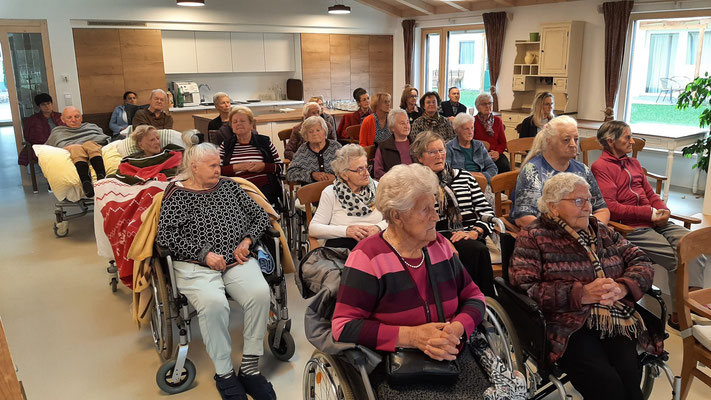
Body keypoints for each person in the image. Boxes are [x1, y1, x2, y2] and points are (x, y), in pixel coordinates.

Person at [331, 162, 487, 399]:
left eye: (434, 207)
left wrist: (457, 329)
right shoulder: (368, 257)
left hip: (454, 353)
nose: (436, 217)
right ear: (397, 215)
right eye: (425, 210)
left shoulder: (440, 247)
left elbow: (474, 297)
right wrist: (413, 337)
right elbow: (344, 326)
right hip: (398, 366)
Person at [510, 172, 660, 400]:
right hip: (566, 324)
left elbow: (641, 260)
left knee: (629, 375)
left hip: (615, 316)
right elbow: (526, 288)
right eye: (578, 201)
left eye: (589, 200)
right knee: (606, 382)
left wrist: (623, 287)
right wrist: (581, 294)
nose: (588, 207)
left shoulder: (602, 231)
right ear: (554, 207)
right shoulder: (534, 236)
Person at [156, 143, 276, 400]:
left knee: (259, 293)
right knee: (213, 304)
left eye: (218, 164)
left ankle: (250, 368)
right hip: (195, 265)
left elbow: (260, 216)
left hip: (236, 259)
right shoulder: (176, 194)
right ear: (194, 167)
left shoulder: (230, 186)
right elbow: (166, 236)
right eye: (212, 165)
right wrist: (204, 254)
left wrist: (247, 241)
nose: (218, 170)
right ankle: (224, 373)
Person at [591, 120, 707, 328]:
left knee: (695, 247)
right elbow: (612, 207)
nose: (632, 141)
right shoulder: (601, 167)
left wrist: (663, 210)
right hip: (632, 228)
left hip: (655, 221)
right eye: (627, 137)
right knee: (678, 257)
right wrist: (648, 213)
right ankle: (681, 315)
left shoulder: (633, 164)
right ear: (611, 141)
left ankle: (691, 306)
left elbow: (651, 193)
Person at [412, 131, 496, 297]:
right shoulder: (416, 185)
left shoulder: (464, 177)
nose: (439, 156)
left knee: (475, 249)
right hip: (434, 240)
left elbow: (486, 212)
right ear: (420, 157)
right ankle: (473, 302)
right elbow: (416, 222)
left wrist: (474, 232)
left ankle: (485, 304)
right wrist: (441, 241)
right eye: (432, 152)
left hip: (470, 236)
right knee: (473, 251)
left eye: (442, 150)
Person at [511, 115, 610, 228]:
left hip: (581, 236)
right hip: (546, 236)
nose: (573, 144)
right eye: (566, 140)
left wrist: (591, 231)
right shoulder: (533, 171)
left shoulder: (583, 170)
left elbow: (602, 210)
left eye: (576, 139)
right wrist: (566, 235)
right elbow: (524, 218)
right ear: (549, 141)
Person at [309, 144, 387, 250]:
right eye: (360, 169)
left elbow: (393, 219)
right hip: (342, 249)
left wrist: (378, 227)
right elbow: (313, 229)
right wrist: (346, 231)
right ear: (344, 175)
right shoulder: (331, 193)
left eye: (367, 167)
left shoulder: (378, 188)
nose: (367, 173)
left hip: (375, 244)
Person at [219, 106, 283, 209]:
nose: (238, 124)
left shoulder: (264, 142)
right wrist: (238, 167)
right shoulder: (226, 146)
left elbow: (279, 167)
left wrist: (263, 166)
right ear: (231, 126)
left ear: (251, 124)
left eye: (242, 121)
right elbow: (217, 171)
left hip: (263, 187)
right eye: (234, 122)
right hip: (236, 188)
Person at [45, 106, 109, 197]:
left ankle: (101, 177)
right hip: (74, 151)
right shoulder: (57, 131)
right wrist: (75, 146)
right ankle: (86, 182)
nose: (73, 120)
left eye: (76, 116)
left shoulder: (91, 127)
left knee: (89, 144)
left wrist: (85, 145)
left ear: (81, 117)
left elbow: (103, 139)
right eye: (69, 117)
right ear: (63, 119)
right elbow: (52, 147)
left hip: (93, 148)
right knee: (76, 148)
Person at [285, 116, 341, 185]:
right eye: (310, 132)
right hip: (311, 192)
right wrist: (312, 175)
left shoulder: (335, 146)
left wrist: (336, 177)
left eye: (318, 130)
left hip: (334, 188)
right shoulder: (303, 150)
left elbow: (348, 169)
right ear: (306, 135)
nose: (314, 134)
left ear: (324, 131)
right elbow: (291, 174)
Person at [445, 113, 498, 182]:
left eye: (472, 128)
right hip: (460, 184)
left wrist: (482, 177)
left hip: (482, 182)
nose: (470, 132)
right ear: (456, 131)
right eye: (466, 129)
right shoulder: (449, 147)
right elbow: (447, 172)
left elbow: (492, 168)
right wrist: (469, 176)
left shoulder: (479, 146)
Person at [18, 93, 63, 166]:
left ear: (52, 104)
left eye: (48, 103)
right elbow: (28, 136)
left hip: (61, 143)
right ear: (39, 106)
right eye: (43, 104)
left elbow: (67, 131)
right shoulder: (33, 120)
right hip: (43, 146)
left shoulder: (60, 116)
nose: (47, 106)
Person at [472, 93, 510, 173]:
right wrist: (485, 153)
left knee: (504, 165)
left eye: (490, 103)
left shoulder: (497, 121)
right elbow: (471, 142)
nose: (488, 106)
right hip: (479, 153)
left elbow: (503, 143)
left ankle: (502, 185)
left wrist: (497, 152)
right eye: (484, 104)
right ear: (478, 107)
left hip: (495, 152)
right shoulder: (473, 121)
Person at [373, 109, 413, 179]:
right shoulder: (384, 147)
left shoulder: (416, 144)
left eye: (407, 122)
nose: (406, 126)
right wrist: (394, 179)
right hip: (394, 184)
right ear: (392, 127)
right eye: (402, 123)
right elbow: (377, 172)